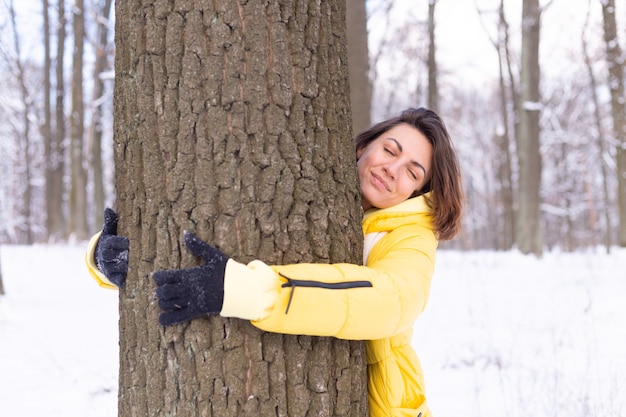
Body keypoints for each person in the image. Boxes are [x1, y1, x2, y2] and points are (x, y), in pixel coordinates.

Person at [85, 107, 464, 417]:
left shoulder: (412, 236)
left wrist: (251, 291)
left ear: (419, 191)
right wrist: (104, 255)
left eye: (413, 172)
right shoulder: (313, 187)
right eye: (390, 150)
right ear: (364, 146)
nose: (392, 170)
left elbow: (390, 301)